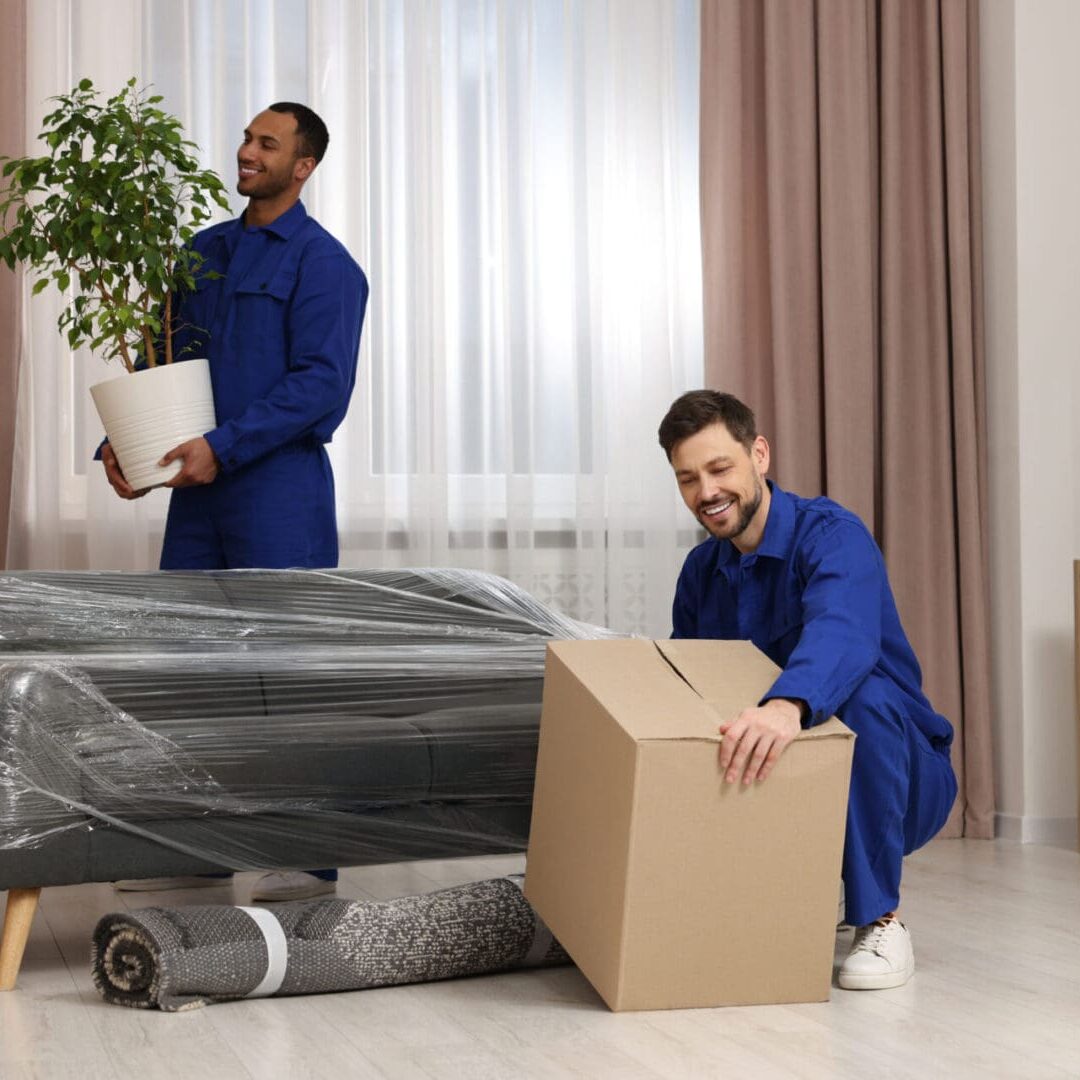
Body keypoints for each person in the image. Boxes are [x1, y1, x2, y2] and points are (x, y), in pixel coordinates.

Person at [102, 102, 368, 902]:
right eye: (247, 137)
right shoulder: (201, 253)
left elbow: (321, 387)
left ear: (304, 165)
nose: (247, 150)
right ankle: (198, 841)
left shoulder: (327, 267)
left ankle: (302, 855)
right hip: (197, 498)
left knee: (281, 676)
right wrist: (123, 442)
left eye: (267, 143)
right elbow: (159, 357)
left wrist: (225, 446)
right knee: (187, 668)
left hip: (277, 492)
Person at [658, 389, 957, 990]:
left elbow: (842, 634)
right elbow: (687, 678)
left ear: (759, 455)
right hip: (785, 781)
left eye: (720, 468)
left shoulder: (832, 535)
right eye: (688, 478)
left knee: (863, 696)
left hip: (902, 779)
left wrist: (786, 706)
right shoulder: (699, 573)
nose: (706, 492)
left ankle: (880, 920)